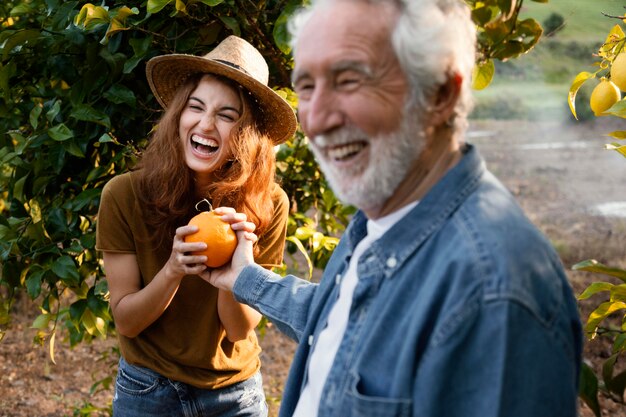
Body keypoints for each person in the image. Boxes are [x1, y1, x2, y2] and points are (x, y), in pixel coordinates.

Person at [205, 1, 584, 416]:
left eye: (349, 80)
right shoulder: (382, 214)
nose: (318, 118)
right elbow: (347, 322)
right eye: (307, 87)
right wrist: (245, 278)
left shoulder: (493, 289)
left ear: (441, 93)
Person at [95, 35, 297, 416]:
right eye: (196, 107)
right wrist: (172, 270)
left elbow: (238, 330)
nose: (205, 124)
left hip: (233, 396)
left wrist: (236, 271)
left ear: (248, 132)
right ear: (178, 114)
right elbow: (127, 321)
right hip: (148, 390)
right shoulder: (124, 195)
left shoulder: (268, 204)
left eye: (226, 114)